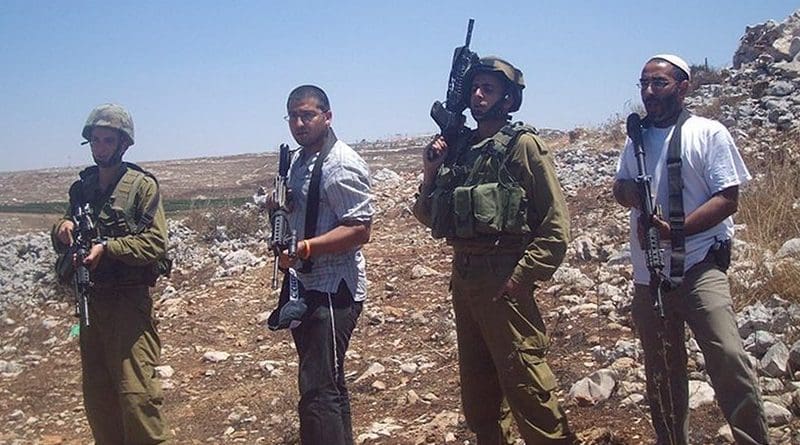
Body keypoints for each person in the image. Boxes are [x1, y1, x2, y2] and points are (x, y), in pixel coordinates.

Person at [413, 57, 576, 444]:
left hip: (504, 278)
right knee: (479, 397)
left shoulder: (523, 146)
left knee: (527, 386)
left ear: (508, 97)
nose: (478, 95)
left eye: (488, 88)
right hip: (465, 280)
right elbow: (426, 215)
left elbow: (556, 226)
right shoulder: (462, 147)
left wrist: (521, 277)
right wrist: (430, 172)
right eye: (474, 88)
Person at [613, 54, 769, 445]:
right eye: (644, 84)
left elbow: (727, 198)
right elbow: (620, 187)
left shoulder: (708, 132)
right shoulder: (636, 139)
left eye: (659, 84)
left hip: (700, 266)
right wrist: (630, 192)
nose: (649, 92)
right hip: (650, 276)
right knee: (662, 373)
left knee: (729, 359)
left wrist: (674, 231)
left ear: (683, 87)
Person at [51, 104, 171, 444]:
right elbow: (64, 227)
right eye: (95, 140)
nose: (100, 147)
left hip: (128, 306)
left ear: (123, 144)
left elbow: (156, 243)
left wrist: (110, 249)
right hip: (91, 307)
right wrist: (62, 228)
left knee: (137, 398)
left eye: (107, 140)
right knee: (99, 402)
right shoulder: (82, 189)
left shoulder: (140, 187)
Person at [267, 85, 373, 445]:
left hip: (332, 291)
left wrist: (307, 248)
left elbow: (360, 229)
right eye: (293, 116)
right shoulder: (299, 161)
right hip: (306, 286)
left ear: (327, 116)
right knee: (329, 382)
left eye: (307, 115)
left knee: (317, 392)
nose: (299, 123)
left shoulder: (339, 163)